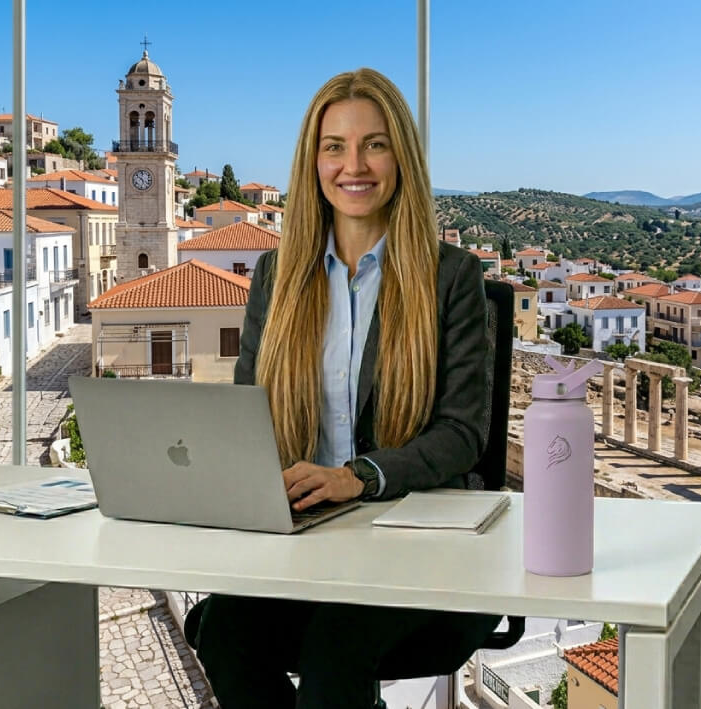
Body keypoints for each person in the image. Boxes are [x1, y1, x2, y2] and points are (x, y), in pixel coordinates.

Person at [194, 67, 501, 709]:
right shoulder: (277, 277)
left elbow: (464, 432)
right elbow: (249, 415)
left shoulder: (453, 277)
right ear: (313, 162)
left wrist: (358, 476)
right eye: (334, 146)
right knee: (223, 634)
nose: (353, 165)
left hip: (418, 537)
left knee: (337, 646)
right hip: (309, 538)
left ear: (402, 158)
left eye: (374, 144)